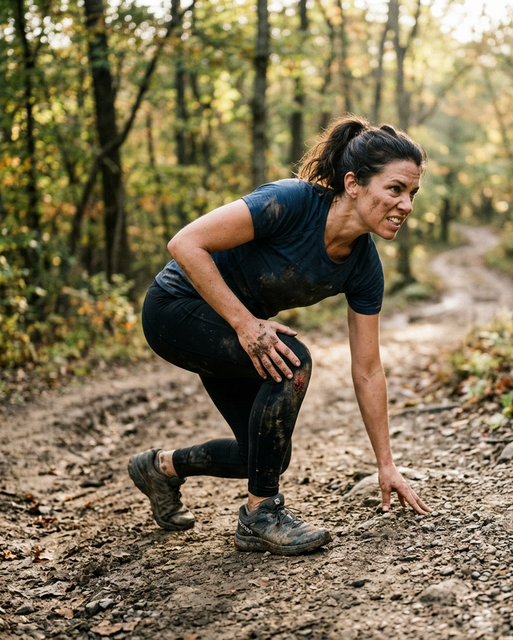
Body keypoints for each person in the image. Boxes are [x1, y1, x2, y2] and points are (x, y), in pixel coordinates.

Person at [128, 115, 431, 556]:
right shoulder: (290, 203)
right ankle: (260, 515)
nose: (406, 205)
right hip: (175, 310)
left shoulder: (364, 268)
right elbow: (185, 244)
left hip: (233, 328)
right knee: (293, 360)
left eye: (412, 194)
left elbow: (367, 370)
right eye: (395, 189)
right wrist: (246, 324)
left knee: (264, 455)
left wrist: (387, 465)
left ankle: (160, 468)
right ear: (353, 184)